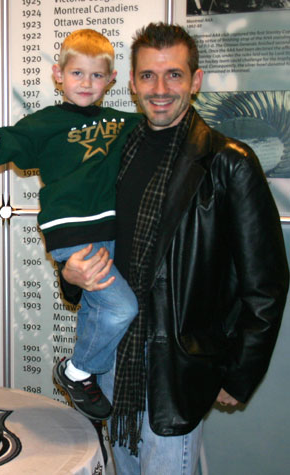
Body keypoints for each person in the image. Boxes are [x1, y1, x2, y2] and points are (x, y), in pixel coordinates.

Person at [60, 22, 289, 474]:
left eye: (174, 75)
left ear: (196, 81)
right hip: (113, 356)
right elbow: (86, 239)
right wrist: (70, 279)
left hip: (178, 366)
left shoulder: (229, 163)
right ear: (130, 82)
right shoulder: (112, 153)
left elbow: (265, 282)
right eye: (147, 75)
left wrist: (240, 374)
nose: (160, 89)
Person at [0, 29, 140, 421]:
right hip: (73, 232)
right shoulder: (45, 123)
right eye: (78, 73)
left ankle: (88, 383)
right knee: (122, 308)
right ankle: (75, 372)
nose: (86, 83)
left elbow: (165, 136)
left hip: (112, 232)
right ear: (58, 74)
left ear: (111, 80)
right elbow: (1, 147)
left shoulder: (125, 122)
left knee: (99, 308)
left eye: (96, 75)